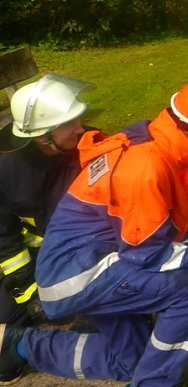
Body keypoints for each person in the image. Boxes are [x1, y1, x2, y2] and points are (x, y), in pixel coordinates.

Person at [0, 74, 188, 386]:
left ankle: (19, 344)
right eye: (67, 123)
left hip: (95, 262)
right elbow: (148, 253)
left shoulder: (155, 146)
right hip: (78, 274)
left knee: (129, 362)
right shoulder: (146, 165)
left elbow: (161, 233)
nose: (81, 129)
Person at [0, 75, 96, 356]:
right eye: (69, 124)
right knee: (6, 362)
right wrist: (28, 290)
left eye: (80, 118)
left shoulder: (92, 146)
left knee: (99, 329)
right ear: (42, 136)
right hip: (36, 258)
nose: (81, 129)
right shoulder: (6, 171)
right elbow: (3, 236)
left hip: (90, 250)